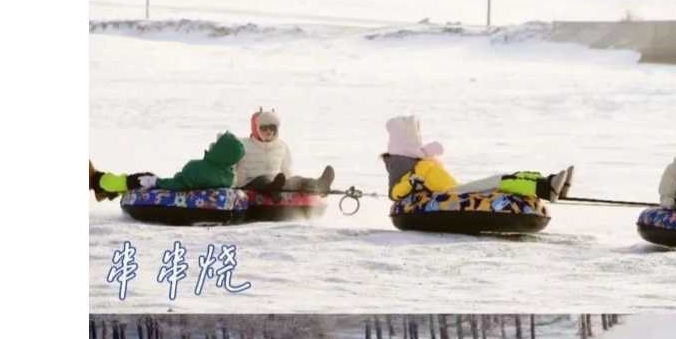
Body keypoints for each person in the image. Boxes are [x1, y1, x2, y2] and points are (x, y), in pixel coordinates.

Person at [380, 115, 571, 202]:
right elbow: (394, 193)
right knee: (500, 181)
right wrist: (413, 180)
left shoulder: (421, 160)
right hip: (450, 195)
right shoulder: (404, 166)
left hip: (456, 190)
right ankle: (546, 189)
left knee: (507, 176)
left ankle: (551, 182)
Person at [88, 131, 246, 200]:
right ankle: (107, 192)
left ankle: (97, 181)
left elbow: (178, 184)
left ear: (221, 153)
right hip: (190, 193)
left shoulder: (198, 168)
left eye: (215, 145)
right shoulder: (228, 175)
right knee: (141, 180)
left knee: (140, 178)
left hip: (171, 191)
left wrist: (156, 182)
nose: (212, 145)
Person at [234, 108, 335, 196]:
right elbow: (232, 168)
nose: (268, 131)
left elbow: (287, 170)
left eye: (272, 128)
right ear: (256, 127)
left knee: (297, 180)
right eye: (264, 128)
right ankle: (273, 187)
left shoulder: (281, 146)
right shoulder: (243, 145)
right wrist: (234, 186)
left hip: (277, 183)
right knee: (263, 179)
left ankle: (320, 185)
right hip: (249, 184)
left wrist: (292, 185)